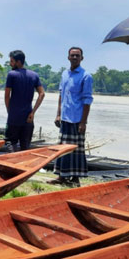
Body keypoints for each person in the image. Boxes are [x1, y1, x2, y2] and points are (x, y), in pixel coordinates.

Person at [51, 47, 93, 186]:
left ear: (82, 58)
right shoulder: (64, 74)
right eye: (72, 55)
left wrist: (83, 122)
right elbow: (61, 95)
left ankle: (75, 178)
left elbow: (87, 100)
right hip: (65, 118)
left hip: (77, 119)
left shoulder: (86, 76)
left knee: (76, 149)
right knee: (63, 148)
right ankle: (61, 177)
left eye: (77, 55)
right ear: (68, 57)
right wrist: (58, 114)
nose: (75, 57)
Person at [5, 50, 45, 151]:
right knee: (25, 147)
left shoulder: (12, 74)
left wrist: (10, 111)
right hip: (28, 118)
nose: (10, 63)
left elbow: (6, 96)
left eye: (12, 61)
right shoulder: (34, 75)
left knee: (11, 144)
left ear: (18, 62)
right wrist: (33, 112)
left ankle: (11, 165)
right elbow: (42, 94)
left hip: (14, 118)